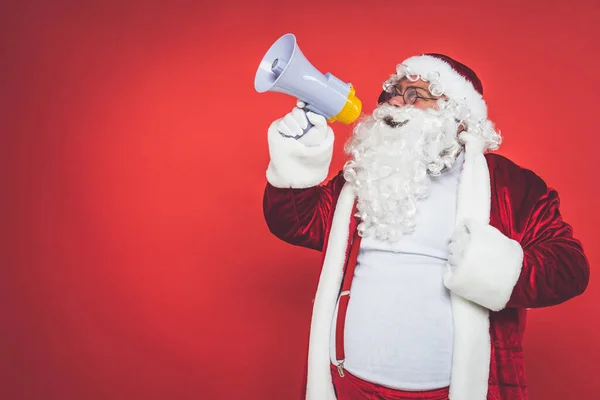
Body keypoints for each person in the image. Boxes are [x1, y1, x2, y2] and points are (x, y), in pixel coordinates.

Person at [262, 53, 589, 400]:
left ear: (458, 116)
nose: (395, 105)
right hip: (349, 383)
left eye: (415, 95)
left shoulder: (510, 186)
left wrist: (490, 266)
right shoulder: (366, 174)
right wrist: (298, 156)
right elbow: (298, 224)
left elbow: (570, 267)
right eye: (394, 93)